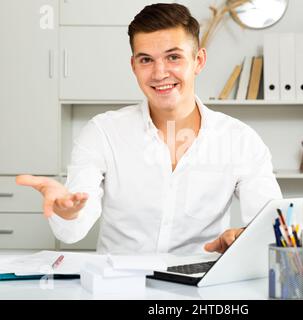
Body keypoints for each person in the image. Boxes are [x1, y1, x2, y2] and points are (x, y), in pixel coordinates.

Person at [16, 3, 282, 255]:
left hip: (197, 286)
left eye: (173, 57)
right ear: (134, 66)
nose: (159, 73)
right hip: (118, 286)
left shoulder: (240, 140)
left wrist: (243, 237)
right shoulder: (103, 133)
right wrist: (68, 211)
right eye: (146, 60)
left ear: (198, 61)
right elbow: (73, 229)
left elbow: (271, 225)